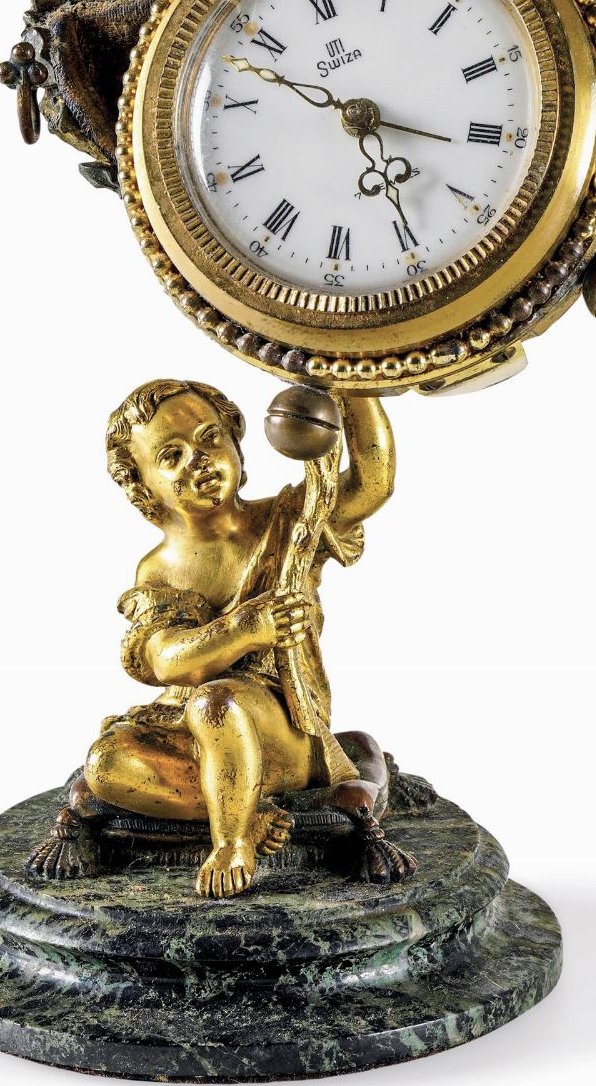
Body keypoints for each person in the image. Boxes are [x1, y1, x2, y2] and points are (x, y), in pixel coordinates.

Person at [78, 378, 394, 896]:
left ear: (237, 445)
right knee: (107, 762)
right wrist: (246, 627)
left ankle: (232, 841)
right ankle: (245, 806)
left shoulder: (288, 522)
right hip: (188, 726)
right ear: (142, 488)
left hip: (279, 725)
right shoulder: (159, 571)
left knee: (218, 704)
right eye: (171, 456)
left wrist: (351, 378)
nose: (199, 461)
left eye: (210, 438)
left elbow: (372, 481)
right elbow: (167, 660)